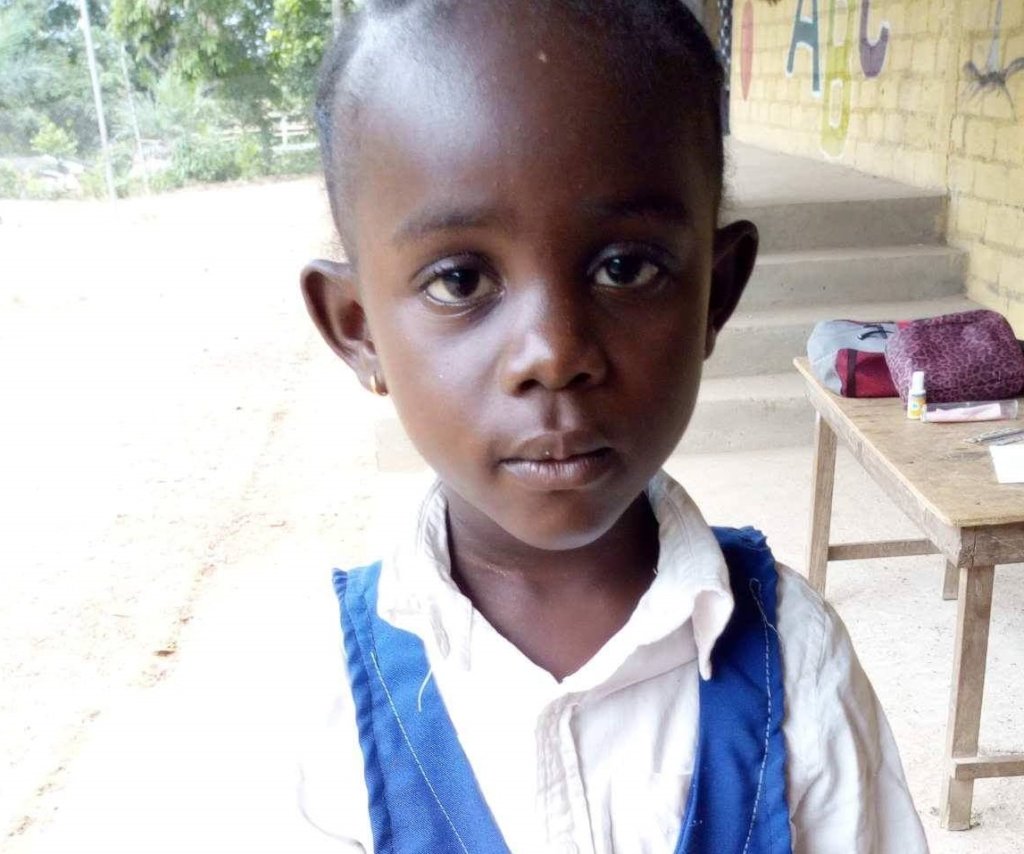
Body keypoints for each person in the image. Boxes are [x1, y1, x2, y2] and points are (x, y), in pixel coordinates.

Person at [296, 1, 929, 851]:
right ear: (358, 327)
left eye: (625, 268)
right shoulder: (330, 707)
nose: (555, 354)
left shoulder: (798, 662)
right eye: (459, 281)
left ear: (716, 293)